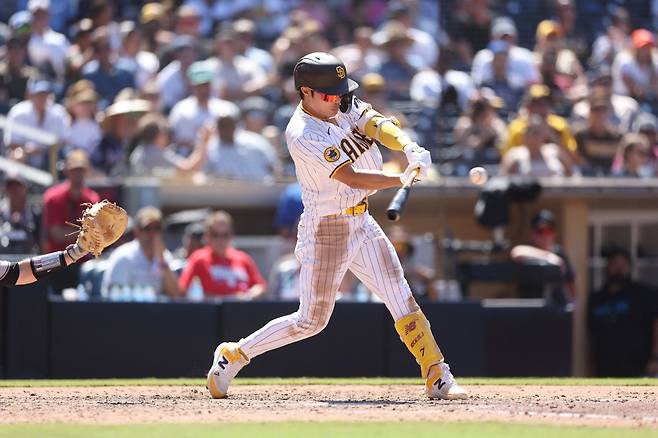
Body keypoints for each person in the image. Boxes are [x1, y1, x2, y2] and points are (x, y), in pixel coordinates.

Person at [206, 52, 468, 401]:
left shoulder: (339, 102)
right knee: (310, 321)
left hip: (361, 219)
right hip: (328, 227)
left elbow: (374, 122)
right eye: (329, 94)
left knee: (400, 294)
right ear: (305, 93)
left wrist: (409, 146)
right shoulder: (302, 134)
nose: (339, 99)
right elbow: (350, 176)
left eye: (341, 92)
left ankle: (437, 373)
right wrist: (399, 177)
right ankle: (234, 354)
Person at [588, 247, 658, 377]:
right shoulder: (596, 299)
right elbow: (591, 336)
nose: (619, 269)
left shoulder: (643, 294)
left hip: (639, 366)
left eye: (623, 264)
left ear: (630, 268)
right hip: (605, 367)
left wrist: (655, 357)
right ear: (607, 267)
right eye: (615, 264)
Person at [42, 150, 100, 293]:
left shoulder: (92, 199)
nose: (78, 174)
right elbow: (56, 234)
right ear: (67, 171)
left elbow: (97, 235)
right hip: (58, 262)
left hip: (83, 264)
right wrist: (86, 234)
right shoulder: (53, 197)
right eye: (74, 170)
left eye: (81, 170)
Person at [178, 211, 266, 299]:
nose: (220, 240)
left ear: (231, 235)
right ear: (207, 236)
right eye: (215, 235)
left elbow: (260, 286)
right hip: (213, 310)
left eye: (225, 235)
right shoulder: (199, 258)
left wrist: (248, 296)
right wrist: (217, 299)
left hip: (242, 308)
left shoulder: (243, 258)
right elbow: (183, 289)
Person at [101, 206, 180, 298]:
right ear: (137, 231)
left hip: (157, 311)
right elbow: (116, 296)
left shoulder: (165, 256)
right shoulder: (123, 256)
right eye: (147, 228)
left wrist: (162, 260)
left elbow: (174, 294)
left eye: (157, 228)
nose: (153, 234)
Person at [510, 209, 575, 305]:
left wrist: (573, 304)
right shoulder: (528, 250)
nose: (545, 236)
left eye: (549, 230)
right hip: (532, 310)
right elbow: (516, 252)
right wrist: (548, 256)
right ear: (532, 233)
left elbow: (571, 284)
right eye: (540, 231)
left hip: (555, 311)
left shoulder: (560, 253)